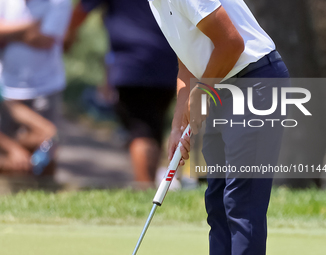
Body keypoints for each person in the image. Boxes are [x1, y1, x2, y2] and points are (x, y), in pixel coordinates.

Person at [149, 1, 290, 255]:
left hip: (255, 81)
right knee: (218, 201)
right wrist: (176, 125)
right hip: (221, 84)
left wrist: (203, 90)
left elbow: (232, 43)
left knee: (241, 202)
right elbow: (187, 62)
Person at [66, 0, 178, 188]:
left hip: (131, 62)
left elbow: (82, 10)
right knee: (153, 126)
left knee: (140, 128)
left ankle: (144, 189)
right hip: (168, 60)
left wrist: (67, 37)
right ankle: (150, 185)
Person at [0, 0, 72, 175]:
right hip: (7, 88)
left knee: (49, 143)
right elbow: (33, 34)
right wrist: (30, 27)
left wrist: (7, 32)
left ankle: (44, 187)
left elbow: (43, 39)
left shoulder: (58, 2)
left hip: (44, 88)